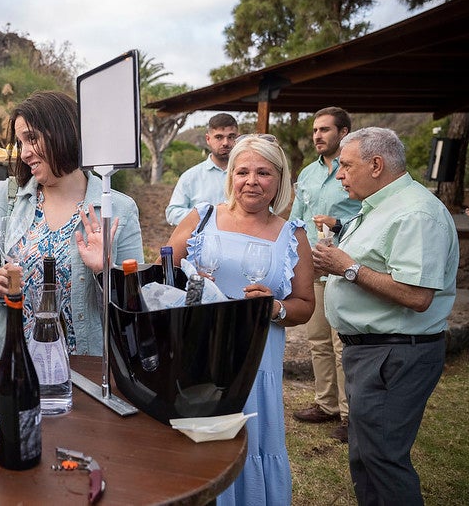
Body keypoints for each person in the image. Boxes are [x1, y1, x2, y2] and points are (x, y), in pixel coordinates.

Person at [163, 134, 315, 505]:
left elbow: (305, 304)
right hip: (199, 351)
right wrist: (192, 285)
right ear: (230, 176)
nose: (251, 181)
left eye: (263, 172)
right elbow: (163, 273)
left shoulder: (293, 235)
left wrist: (274, 308)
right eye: (242, 171)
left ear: (279, 179)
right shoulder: (202, 218)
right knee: (198, 446)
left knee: (250, 443)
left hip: (256, 359)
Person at [312, 127, 458, 505]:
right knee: (367, 456)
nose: (339, 175)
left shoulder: (416, 213)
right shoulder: (381, 206)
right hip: (375, 352)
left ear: (376, 165)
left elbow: (417, 295)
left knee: (383, 459)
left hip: (395, 355)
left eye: (346, 166)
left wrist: (347, 268)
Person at [0, 91, 144, 360]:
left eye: (32, 138)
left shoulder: (118, 209)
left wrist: (104, 272)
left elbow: (134, 304)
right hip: (12, 361)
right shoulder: (9, 196)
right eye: (20, 143)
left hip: (82, 368)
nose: (24, 153)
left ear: (64, 133)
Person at [289, 107, 362, 443]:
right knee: (317, 339)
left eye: (325, 130)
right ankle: (326, 404)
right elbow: (297, 219)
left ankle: (350, 416)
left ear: (343, 132)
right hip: (314, 267)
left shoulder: (357, 171)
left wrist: (338, 224)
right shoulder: (307, 173)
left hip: (346, 267)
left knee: (342, 343)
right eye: (315, 130)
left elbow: (369, 215)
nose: (317, 135)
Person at [164, 113, 238, 226]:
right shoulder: (190, 177)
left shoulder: (251, 176)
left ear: (238, 138)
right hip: (201, 237)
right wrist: (207, 216)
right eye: (219, 137)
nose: (225, 143)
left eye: (231, 137)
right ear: (208, 139)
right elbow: (173, 213)